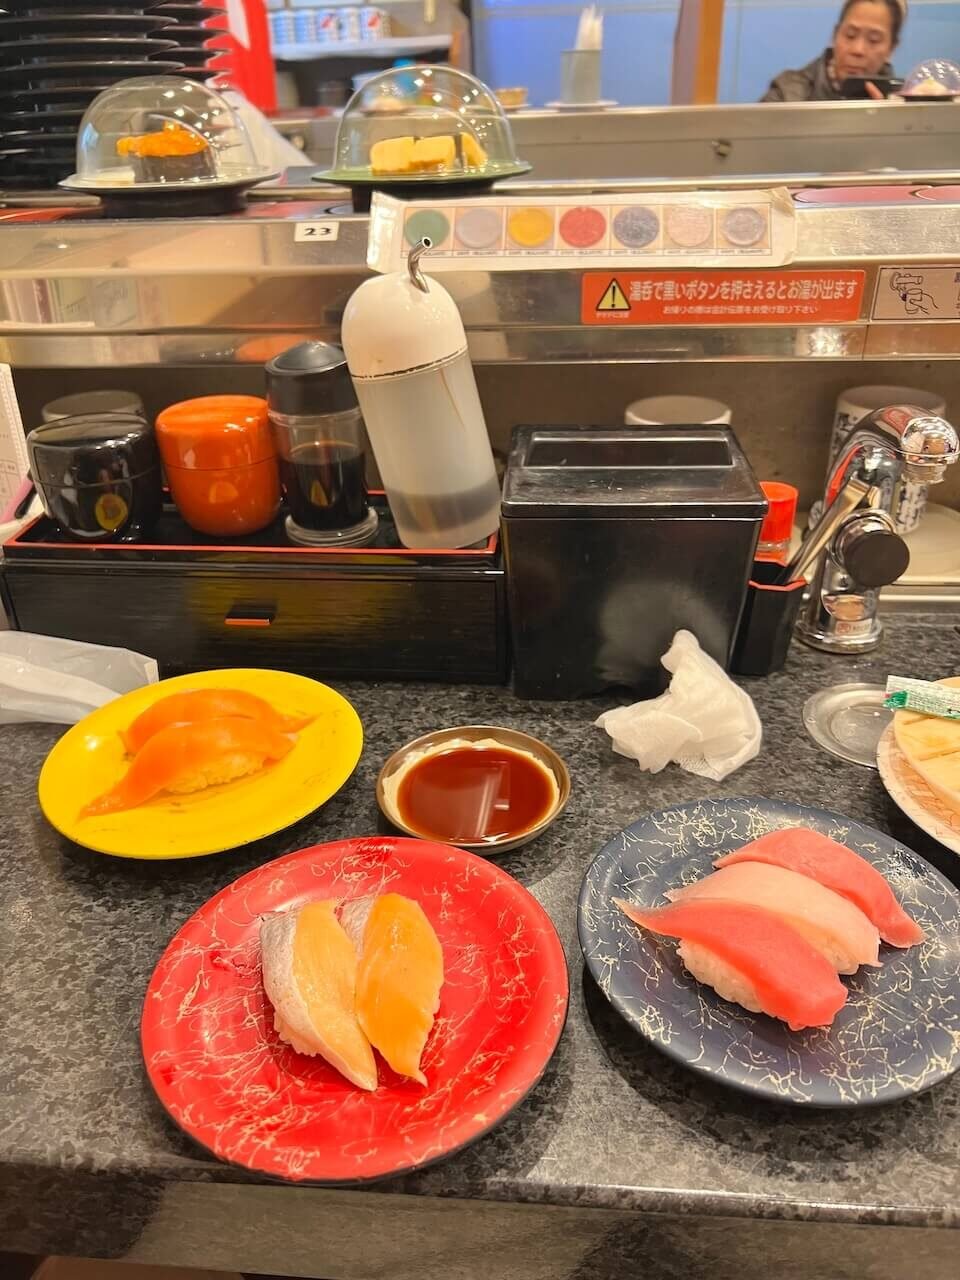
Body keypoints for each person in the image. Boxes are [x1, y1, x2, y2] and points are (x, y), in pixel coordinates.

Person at [761, 0, 903, 102]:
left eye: (873, 40)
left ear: (892, 48)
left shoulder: (902, 106)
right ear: (835, 35)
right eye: (850, 35)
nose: (858, 50)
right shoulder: (786, 95)